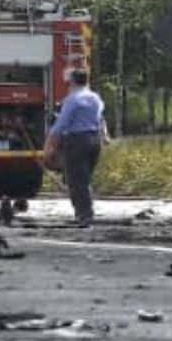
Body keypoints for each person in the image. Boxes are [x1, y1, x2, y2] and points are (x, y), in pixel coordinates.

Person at [44, 69, 108, 228]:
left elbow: (60, 125)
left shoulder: (72, 100)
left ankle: (84, 215)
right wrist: (105, 136)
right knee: (84, 179)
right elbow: (100, 119)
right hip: (94, 141)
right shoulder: (96, 98)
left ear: (72, 82)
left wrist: (48, 147)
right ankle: (85, 212)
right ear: (87, 81)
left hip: (76, 141)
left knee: (77, 181)